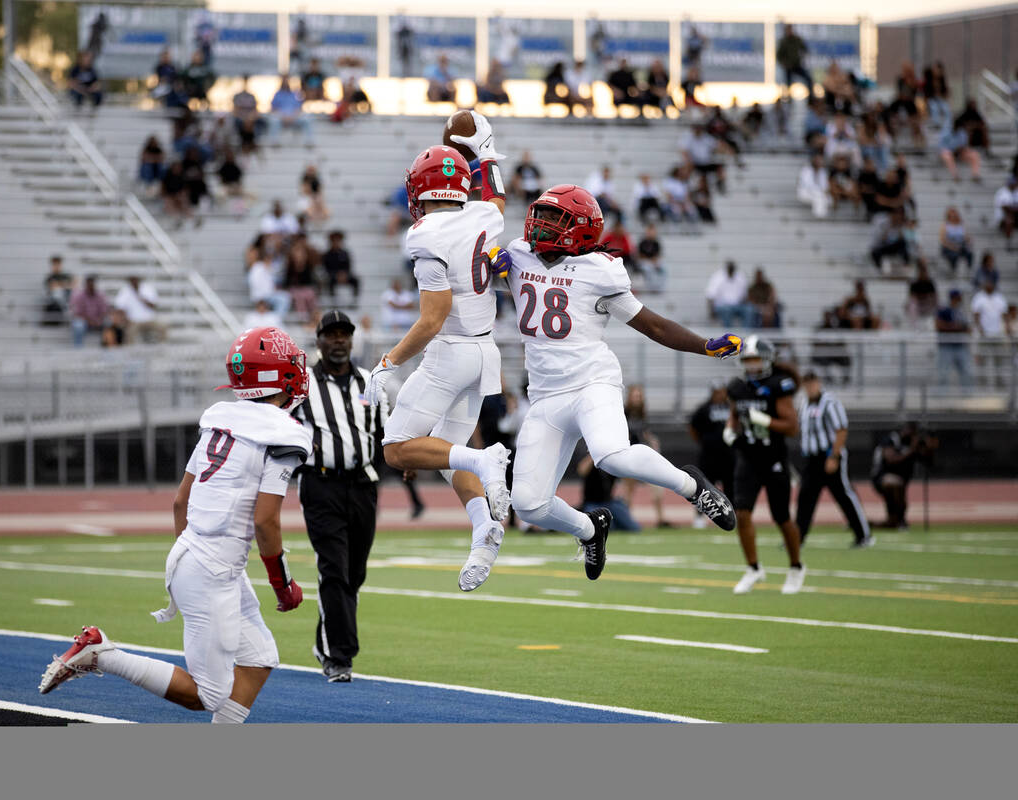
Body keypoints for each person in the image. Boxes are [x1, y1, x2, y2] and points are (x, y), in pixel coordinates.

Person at [39, 327, 311, 724]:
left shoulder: (221, 420)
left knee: (259, 658)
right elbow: (266, 520)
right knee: (209, 696)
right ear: (279, 375)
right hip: (211, 569)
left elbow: (180, 500)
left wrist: (196, 554)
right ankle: (101, 654)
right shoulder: (282, 434)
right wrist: (282, 585)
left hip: (196, 556)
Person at [491, 184, 738, 583]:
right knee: (528, 505)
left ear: (581, 229)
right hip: (546, 396)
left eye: (556, 219)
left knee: (611, 455)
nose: (542, 223)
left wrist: (705, 346)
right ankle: (590, 530)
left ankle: (693, 486)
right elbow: (472, 274)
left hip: (592, 383)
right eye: (543, 214)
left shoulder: (599, 270)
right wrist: (487, 264)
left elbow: (653, 325)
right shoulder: (518, 254)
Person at [362, 118, 515, 592]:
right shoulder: (484, 216)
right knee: (451, 457)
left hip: (450, 351)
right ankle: (484, 534)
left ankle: (488, 461)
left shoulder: (425, 234)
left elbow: (432, 318)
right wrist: (485, 152)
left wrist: (386, 364)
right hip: (485, 353)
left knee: (395, 449)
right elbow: (496, 198)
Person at [292, 312, 385, 682]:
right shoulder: (301, 386)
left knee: (354, 573)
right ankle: (338, 656)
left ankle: (325, 641)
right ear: (318, 341)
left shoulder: (369, 382)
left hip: (362, 485)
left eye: (344, 334)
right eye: (330, 335)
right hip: (321, 483)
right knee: (334, 569)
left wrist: (404, 463)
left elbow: (384, 433)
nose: (338, 341)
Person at [722, 336, 806, 595]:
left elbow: (792, 427)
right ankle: (754, 568)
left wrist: (764, 420)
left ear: (768, 360)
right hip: (747, 457)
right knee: (742, 514)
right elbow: (735, 413)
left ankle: (796, 566)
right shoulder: (738, 387)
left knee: (781, 517)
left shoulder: (779, 385)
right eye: (748, 360)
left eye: (756, 359)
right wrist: (729, 429)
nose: (752, 365)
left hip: (773, 458)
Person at [795, 371, 872, 547]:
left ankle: (863, 535)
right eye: (806, 384)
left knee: (843, 495)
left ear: (819, 382)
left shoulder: (829, 402)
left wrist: (834, 456)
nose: (810, 387)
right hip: (811, 459)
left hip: (829, 455)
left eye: (812, 383)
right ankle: (797, 538)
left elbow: (841, 429)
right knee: (805, 498)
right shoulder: (804, 403)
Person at [619, 384, 671, 528]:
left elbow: (645, 432)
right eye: (635, 396)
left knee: (657, 486)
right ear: (629, 397)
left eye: (639, 396)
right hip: (629, 455)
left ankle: (660, 519)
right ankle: (626, 520)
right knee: (628, 490)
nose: (637, 398)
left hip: (644, 456)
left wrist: (652, 441)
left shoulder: (642, 414)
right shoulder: (623, 413)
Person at [870, 422, 934, 530]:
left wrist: (929, 448)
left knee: (897, 491)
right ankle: (899, 519)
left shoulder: (915, 443)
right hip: (881, 477)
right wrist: (912, 450)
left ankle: (893, 520)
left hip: (902, 480)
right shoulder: (892, 440)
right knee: (894, 484)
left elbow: (929, 462)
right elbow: (891, 460)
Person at [688, 380, 734, 529]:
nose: (719, 394)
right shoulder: (704, 409)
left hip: (728, 455)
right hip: (709, 456)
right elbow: (693, 427)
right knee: (704, 488)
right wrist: (704, 442)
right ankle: (699, 517)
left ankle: (730, 517)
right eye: (717, 391)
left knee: (731, 487)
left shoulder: (731, 407)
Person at [575, 455, 641, 533]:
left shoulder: (612, 464)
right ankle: (613, 523)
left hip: (610, 503)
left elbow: (629, 480)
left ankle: (615, 522)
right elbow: (581, 470)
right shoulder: (592, 461)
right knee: (606, 528)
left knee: (634, 528)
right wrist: (594, 455)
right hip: (592, 504)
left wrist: (628, 499)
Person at [972, 280, 1010, 387]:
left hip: (997, 333)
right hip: (984, 334)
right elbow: (976, 315)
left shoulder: (999, 297)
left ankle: (999, 382)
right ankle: (982, 383)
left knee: (999, 360)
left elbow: (1005, 314)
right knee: (982, 360)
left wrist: (1007, 327)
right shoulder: (979, 297)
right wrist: (980, 329)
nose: (989, 284)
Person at [113, 275, 167, 344]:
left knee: (163, 327)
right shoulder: (125, 291)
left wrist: (141, 297)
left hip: (150, 320)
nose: (134, 282)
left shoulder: (147, 289)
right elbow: (119, 307)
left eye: (135, 279)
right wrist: (125, 319)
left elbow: (154, 305)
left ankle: (162, 347)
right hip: (134, 321)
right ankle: (129, 351)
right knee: (129, 333)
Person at [706, 261, 751, 328]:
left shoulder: (740, 276)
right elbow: (710, 295)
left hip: (738, 306)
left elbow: (745, 296)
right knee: (727, 310)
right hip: (722, 306)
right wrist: (711, 311)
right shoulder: (718, 277)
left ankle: (747, 333)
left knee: (750, 310)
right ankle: (729, 335)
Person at [69, 275, 109, 347]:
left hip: (98, 321)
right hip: (85, 321)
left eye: (92, 283)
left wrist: (99, 320)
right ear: (86, 284)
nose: (90, 285)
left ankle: (107, 346)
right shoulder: (80, 296)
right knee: (78, 325)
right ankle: (78, 348)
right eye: (89, 283)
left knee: (109, 323)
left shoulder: (100, 296)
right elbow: (78, 313)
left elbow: (104, 310)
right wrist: (90, 321)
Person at [776, 24, 812, 96]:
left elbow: (805, 49)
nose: (789, 31)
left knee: (809, 79)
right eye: (788, 30)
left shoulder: (797, 39)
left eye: (790, 29)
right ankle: (788, 99)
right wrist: (784, 63)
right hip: (788, 67)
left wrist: (802, 57)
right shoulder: (784, 41)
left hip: (797, 65)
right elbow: (778, 55)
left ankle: (811, 98)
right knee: (788, 84)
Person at [42, 254, 74, 325]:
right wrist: (64, 285)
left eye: (58, 264)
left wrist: (59, 285)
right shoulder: (49, 277)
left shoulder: (66, 275)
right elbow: (52, 287)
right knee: (57, 292)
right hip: (54, 302)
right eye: (54, 264)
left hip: (66, 300)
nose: (56, 266)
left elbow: (73, 284)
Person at [798, 153, 831, 218]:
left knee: (827, 199)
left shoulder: (823, 172)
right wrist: (820, 191)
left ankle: (821, 216)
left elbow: (825, 186)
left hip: (818, 192)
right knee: (819, 197)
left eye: (821, 161)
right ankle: (818, 217)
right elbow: (807, 185)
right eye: (818, 160)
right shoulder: (806, 170)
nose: (819, 162)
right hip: (806, 192)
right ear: (814, 160)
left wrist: (824, 191)